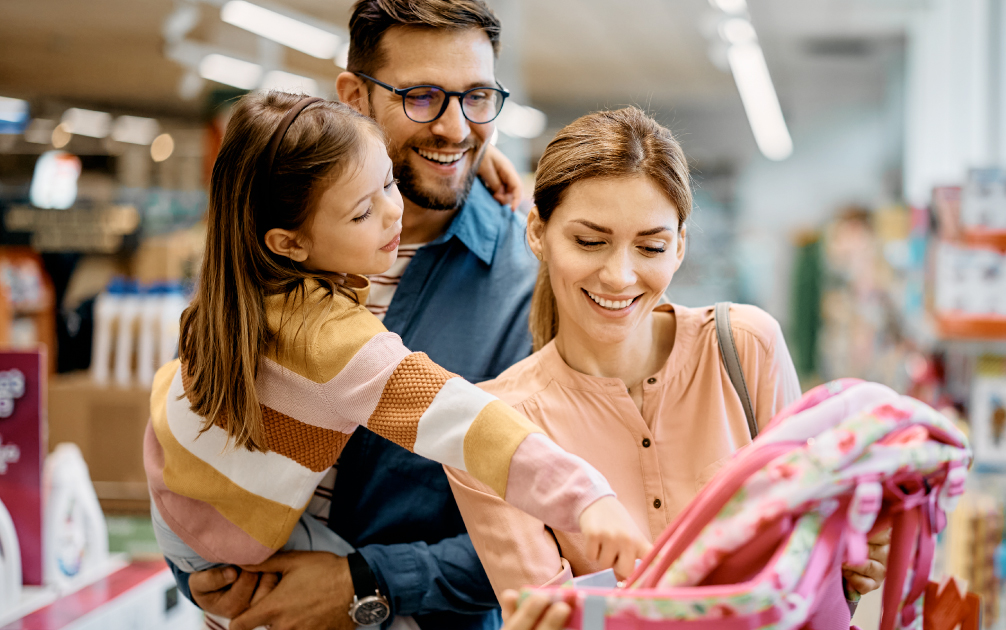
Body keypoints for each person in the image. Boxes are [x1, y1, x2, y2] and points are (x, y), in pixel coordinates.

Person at [145, 92, 650, 627]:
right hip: (225, 546)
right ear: (289, 243)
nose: (394, 212)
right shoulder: (329, 340)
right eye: (363, 211)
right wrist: (586, 498)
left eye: (389, 182)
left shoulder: (236, 289)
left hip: (179, 500)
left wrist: (477, 160)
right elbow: (467, 422)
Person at [173, 2, 546, 629]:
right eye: (423, 96)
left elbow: (549, 533)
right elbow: (199, 415)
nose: (455, 129)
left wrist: (367, 582)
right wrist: (194, 567)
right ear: (353, 96)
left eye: (477, 97)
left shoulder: (528, 285)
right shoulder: (279, 237)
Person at [447, 107, 889, 603]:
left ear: (679, 246)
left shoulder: (746, 348)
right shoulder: (495, 428)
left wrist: (844, 562)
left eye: (651, 247)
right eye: (589, 241)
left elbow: (810, 561)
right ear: (536, 232)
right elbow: (550, 621)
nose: (619, 276)